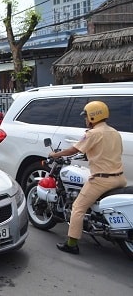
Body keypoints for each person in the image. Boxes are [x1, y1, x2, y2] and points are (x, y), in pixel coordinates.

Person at [49, 101, 126, 255]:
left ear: (92, 117)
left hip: (101, 180)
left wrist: (55, 154)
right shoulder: (115, 132)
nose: (85, 120)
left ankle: (71, 244)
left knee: (78, 208)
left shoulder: (92, 133)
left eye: (86, 117)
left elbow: (73, 149)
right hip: (119, 178)